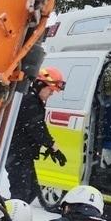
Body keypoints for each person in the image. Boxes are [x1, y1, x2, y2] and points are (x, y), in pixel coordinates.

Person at [6, 67, 67, 203]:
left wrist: (47, 146)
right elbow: (37, 128)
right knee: (21, 195)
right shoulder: (29, 101)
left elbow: (37, 128)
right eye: (50, 91)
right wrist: (53, 148)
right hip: (17, 154)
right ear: (40, 84)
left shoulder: (34, 101)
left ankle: (10, 215)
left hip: (23, 154)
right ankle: (7, 220)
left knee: (32, 190)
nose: (51, 94)